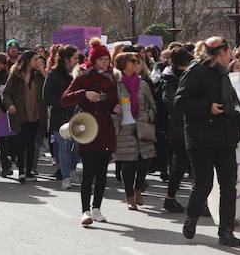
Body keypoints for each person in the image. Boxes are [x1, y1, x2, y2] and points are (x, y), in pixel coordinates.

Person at [175, 37, 240, 247]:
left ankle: (226, 232)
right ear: (219, 53)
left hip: (225, 139)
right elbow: (180, 102)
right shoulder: (195, 72)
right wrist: (206, 108)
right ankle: (191, 217)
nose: (232, 56)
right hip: (201, 139)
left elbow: (228, 110)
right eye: (228, 53)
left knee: (228, 187)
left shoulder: (224, 75)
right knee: (204, 183)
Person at [62, 38, 119, 226]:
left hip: (105, 130)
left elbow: (112, 102)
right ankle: (85, 211)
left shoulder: (111, 79)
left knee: (103, 173)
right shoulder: (83, 77)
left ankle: (97, 208)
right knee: (88, 173)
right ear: (94, 60)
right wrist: (84, 93)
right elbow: (65, 99)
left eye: (107, 59)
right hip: (87, 129)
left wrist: (116, 107)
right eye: (102, 59)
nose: (105, 62)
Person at [113, 51, 157, 211]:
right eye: (132, 61)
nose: (136, 64)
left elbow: (153, 104)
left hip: (144, 125)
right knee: (128, 162)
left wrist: (149, 116)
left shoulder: (143, 83)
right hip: (125, 127)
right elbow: (110, 104)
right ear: (123, 64)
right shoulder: (116, 84)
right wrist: (115, 110)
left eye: (137, 61)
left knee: (146, 160)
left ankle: (139, 187)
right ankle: (129, 196)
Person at [2, 50, 47, 183]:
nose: (38, 62)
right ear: (28, 61)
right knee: (21, 143)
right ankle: (21, 171)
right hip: (20, 114)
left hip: (35, 113)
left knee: (31, 144)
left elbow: (49, 86)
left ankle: (29, 171)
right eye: (35, 59)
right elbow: (6, 93)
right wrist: (10, 105)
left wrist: (43, 71)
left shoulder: (38, 75)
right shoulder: (16, 75)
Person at [160, 46, 192, 213]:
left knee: (193, 168)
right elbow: (172, 104)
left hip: (191, 126)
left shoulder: (186, 75)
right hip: (180, 128)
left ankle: (197, 202)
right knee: (180, 166)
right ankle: (170, 198)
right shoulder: (169, 79)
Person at [43, 44, 80, 189]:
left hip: (76, 117)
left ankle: (72, 169)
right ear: (66, 59)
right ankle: (65, 177)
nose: (78, 60)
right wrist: (62, 103)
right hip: (59, 118)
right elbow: (46, 96)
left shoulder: (79, 73)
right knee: (64, 147)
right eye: (75, 58)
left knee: (77, 147)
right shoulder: (53, 74)